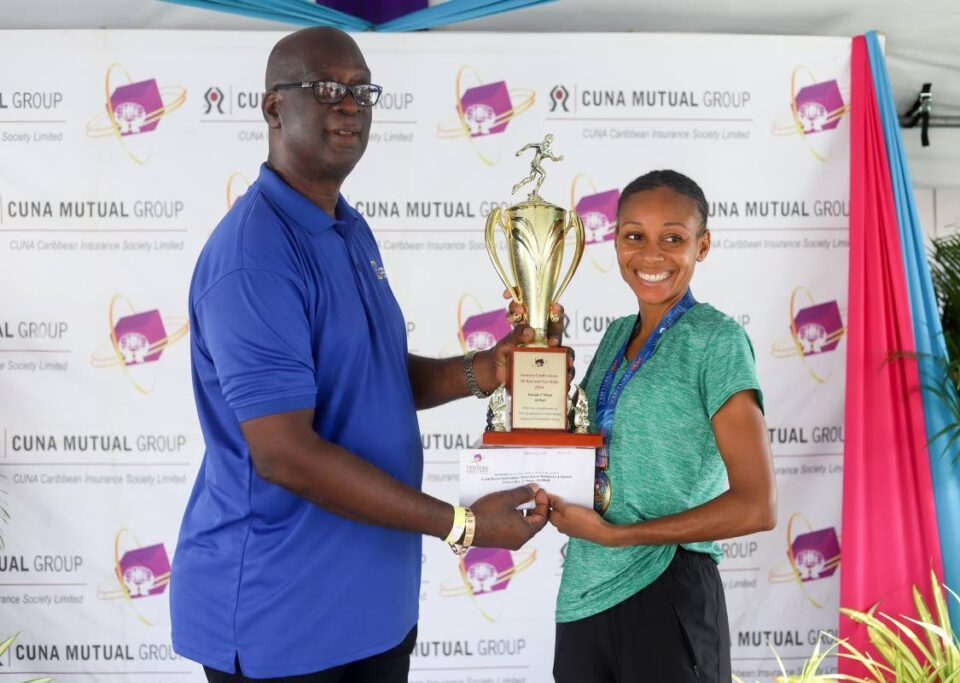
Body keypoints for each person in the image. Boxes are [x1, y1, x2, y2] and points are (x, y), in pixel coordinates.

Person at [170, 27, 563, 683]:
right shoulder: (255, 255)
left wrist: (486, 369)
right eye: (326, 88)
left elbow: (369, 376)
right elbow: (285, 452)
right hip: (283, 620)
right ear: (273, 107)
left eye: (362, 90)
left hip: (370, 608)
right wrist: (463, 526)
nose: (350, 105)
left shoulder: (346, 225)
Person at [546, 170, 776, 683]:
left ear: (703, 245)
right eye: (635, 236)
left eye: (673, 238)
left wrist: (622, 537)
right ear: (616, 240)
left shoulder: (716, 341)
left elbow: (758, 504)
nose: (651, 256)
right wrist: (539, 359)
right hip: (585, 590)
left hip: (667, 586)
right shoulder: (613, 338)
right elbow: (589, 451)